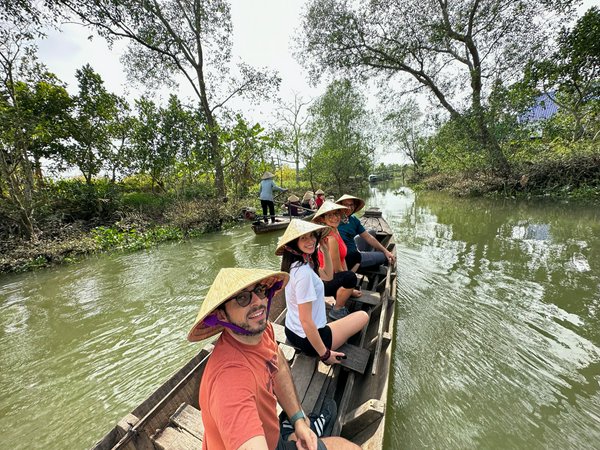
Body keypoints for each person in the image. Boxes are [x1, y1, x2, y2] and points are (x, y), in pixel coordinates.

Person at [188, 268, 359, 450]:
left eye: (260, 290)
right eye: (242, 298)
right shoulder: (230, 380)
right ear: (221, 315)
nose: (258, 302)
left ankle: (288, 428)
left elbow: (277, 366)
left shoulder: (262, 330)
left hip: (271, 436)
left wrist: (298, 418)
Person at [276, 219, 369, 362]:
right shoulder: (304, 273)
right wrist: (325, 354)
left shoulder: (297, 264)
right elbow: (306, 321)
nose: (311, 240)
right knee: (363, 316)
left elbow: (328, 275)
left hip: (291, 331)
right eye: (304, 237)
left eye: (313, 235)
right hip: (309, 341)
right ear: (294, 242)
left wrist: (325, 250)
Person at [312, 201, 362, 320]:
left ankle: (344, 291)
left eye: (336, 214)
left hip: (330, 276)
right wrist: (350, 284)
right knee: (350, 277)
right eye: (329, 215)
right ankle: (337, 309)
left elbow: (342, 259)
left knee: (355, 257)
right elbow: (337, 269)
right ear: (323, 219)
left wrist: (350, 289)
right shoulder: (330, 237)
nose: (334, 218)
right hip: (324, 282)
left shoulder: (335, 230)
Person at [336, 194, 396, 271]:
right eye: (345, 205)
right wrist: (385, 253)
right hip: (350, 259)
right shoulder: (335, 221)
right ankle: (373, 264)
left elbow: (368, 237)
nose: (349, 208)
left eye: (351, 205)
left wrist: (386, 251)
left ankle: (369, 255)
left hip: (354, 251)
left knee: (372, 232)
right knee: (384, 257)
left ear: (354, 206)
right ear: (339, 206)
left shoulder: (353, 219)